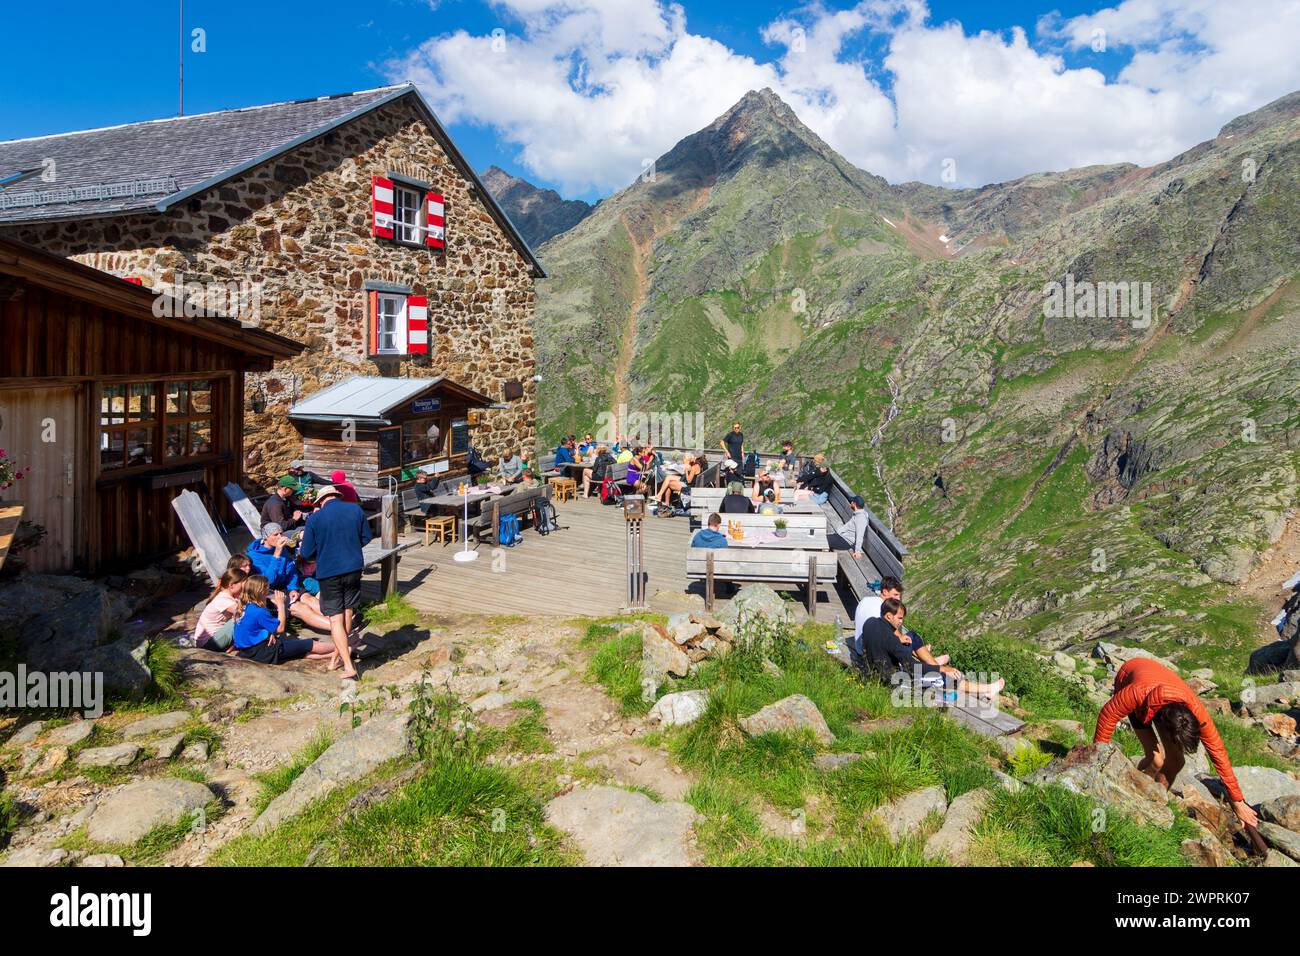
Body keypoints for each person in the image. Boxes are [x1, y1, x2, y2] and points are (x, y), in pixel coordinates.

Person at [1094, 657, 1256, 827]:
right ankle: (1130, 792)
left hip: (1164, 688)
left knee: (1177, 760)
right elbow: (1107, 716)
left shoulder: (1195, 710)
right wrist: (1096, 763)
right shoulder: (1135, 693)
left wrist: (1237, 801)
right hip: (1133, 679)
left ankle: (1154, 800)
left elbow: (1218, 751)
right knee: (1156, 758)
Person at [299, 484, 374, 680]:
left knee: (335, 618)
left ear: (321, 501)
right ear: (337, 496)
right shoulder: (355, 509)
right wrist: (350, 545)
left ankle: (349, 667)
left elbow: (306, 553)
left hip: (329, 571)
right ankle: (336, 657)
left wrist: (323, 552)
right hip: (353, 567)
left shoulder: (315, 519)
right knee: (348, 612)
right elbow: (367, 536)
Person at [860, 599, 1002, 697]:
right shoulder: (892, 640)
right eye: (900, 618)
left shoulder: (870, 622)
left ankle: (934, 662)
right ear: (889, 616)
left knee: (912, 641)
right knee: (941, 677)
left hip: (874, 670)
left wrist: (898, 639)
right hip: (892, 681)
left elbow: (882, 642)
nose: (901, 622)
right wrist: (943, 669)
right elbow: (914, 667)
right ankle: (986, 690)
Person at [247, 522, 332, 632]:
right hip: (269, 591)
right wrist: (277, 554)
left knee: (310, 600)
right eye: (275, 534)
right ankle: (339, 628)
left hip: (286, 586)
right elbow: (268, 581)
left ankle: (342, 621)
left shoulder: (283, 550)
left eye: (281, 533)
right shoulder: (255, 556)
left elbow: (291, 571)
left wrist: (293, 588)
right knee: (302, 608)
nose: (280, 537)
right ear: (266, 537)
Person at [231, 575, 334, 665]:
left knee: (303, 653)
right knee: (309, 644)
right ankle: (342, 647)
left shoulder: (242, 607)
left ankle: (343, 651)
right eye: (267, 588)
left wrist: (268, 633)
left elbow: (250, 628)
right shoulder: (259, 611)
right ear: (261, 591)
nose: (269, 591)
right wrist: (280, 605)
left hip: (247, 652)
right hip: (263, 652)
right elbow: (280, 629)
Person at [192, 567, 247, 651]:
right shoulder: (223, 600)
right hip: (208, 644)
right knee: (239, 619)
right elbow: (246, 613)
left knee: (239, 619)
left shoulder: (228, 597)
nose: (246, 587)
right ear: (232, 585)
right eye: (243, 584)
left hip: (214, 639)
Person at [836, 495, 870, 560]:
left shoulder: (861, 518)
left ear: (854, 504)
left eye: (851, 502)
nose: (850, 503)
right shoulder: (857, 514)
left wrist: (857, 551)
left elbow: (860, 535)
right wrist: (838, 532)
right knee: (823, 538)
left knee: (824, 541)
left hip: (846, 542)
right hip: (843, 537)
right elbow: (847, 526)